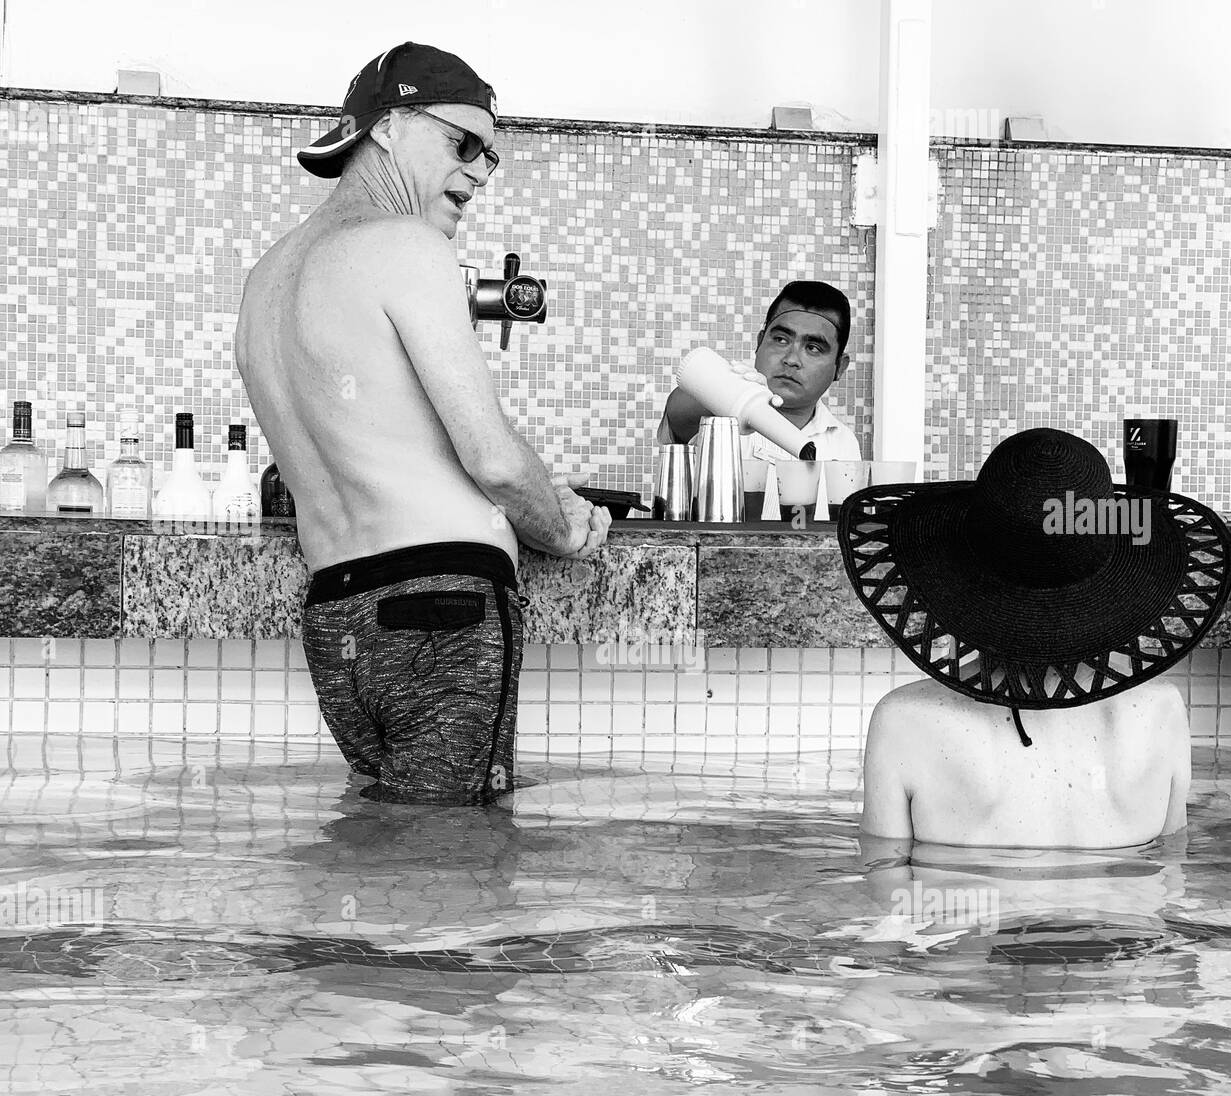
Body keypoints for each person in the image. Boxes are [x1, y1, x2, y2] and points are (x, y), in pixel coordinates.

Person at [235, 41, 610, 805]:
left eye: (490, 157)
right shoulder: (409, 247)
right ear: (388, 126)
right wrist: (563, 527)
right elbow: (494, 460)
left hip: (336, 620)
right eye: (462, 143)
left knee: (383, 851)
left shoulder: (263, 280)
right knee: (449, 868)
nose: (478, 171)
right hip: (440, 611)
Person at [837, 428, 1231, 849]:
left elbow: (885, 885)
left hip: (969, 914)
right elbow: (1172, 868)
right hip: (1127, 916)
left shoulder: (906, 720)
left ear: (950, 575)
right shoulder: (1161, 711)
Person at [657, 280, 861, 507]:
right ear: (760, 341)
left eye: (813, 348)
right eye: (781, 339)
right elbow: (678, 410)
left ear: (840, 367)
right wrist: (736, 396)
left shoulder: (843, 443)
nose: (791, 359)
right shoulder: (722, 410)